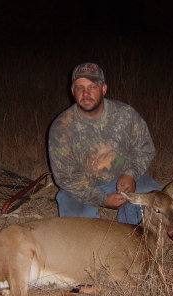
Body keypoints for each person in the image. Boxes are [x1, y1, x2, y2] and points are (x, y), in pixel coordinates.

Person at [48, 62, 161, 225]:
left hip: (121, 178)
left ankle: (130, 227)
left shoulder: (125, 114)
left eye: (92, 87)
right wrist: (102, 199)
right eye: (79, 88)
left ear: (104, 89)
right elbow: (66, 178)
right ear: (73, 91)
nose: (85, 93)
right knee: (77, 224)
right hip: (82, 188)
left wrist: (131, 174)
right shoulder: (61, 127)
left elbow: (145, 149)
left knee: (156, 197)